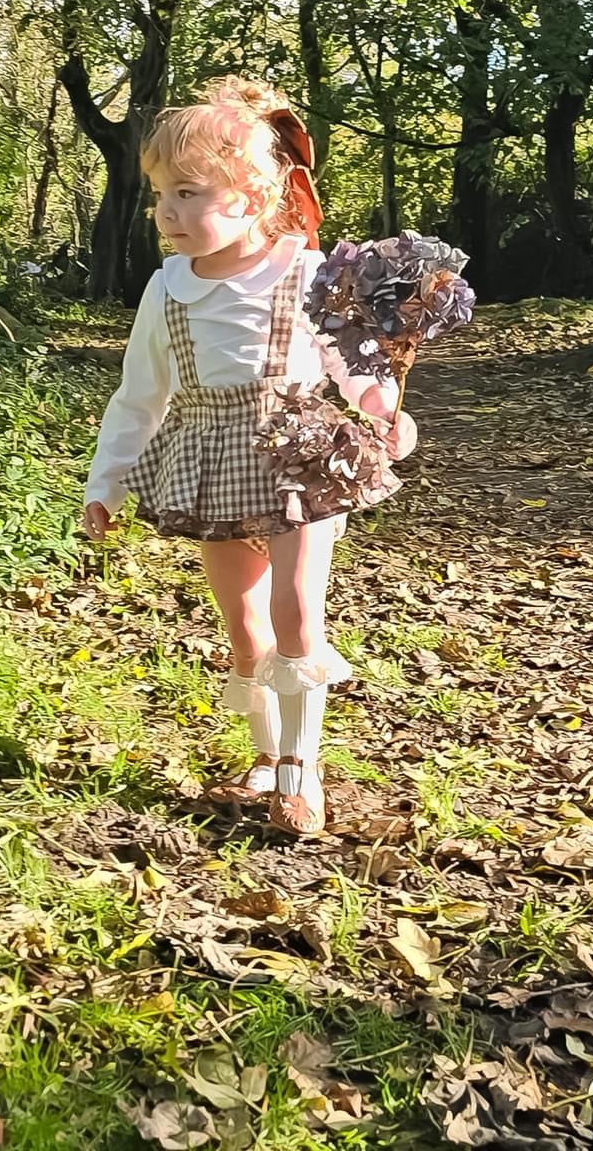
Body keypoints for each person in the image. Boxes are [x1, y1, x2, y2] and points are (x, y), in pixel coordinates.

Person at [81, 78, 416, 836]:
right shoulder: (167, 291)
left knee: (298, 609)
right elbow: (140, 397)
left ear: (253, 194)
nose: (168, 211)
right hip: (209, 460)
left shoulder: (305, 271)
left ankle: (302, 770)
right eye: (160, 194)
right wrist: (109, 483)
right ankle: (266, 754)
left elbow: (354, 364)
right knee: (245, 625)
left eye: (189, 192)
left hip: (302, 456)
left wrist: (385, 410)